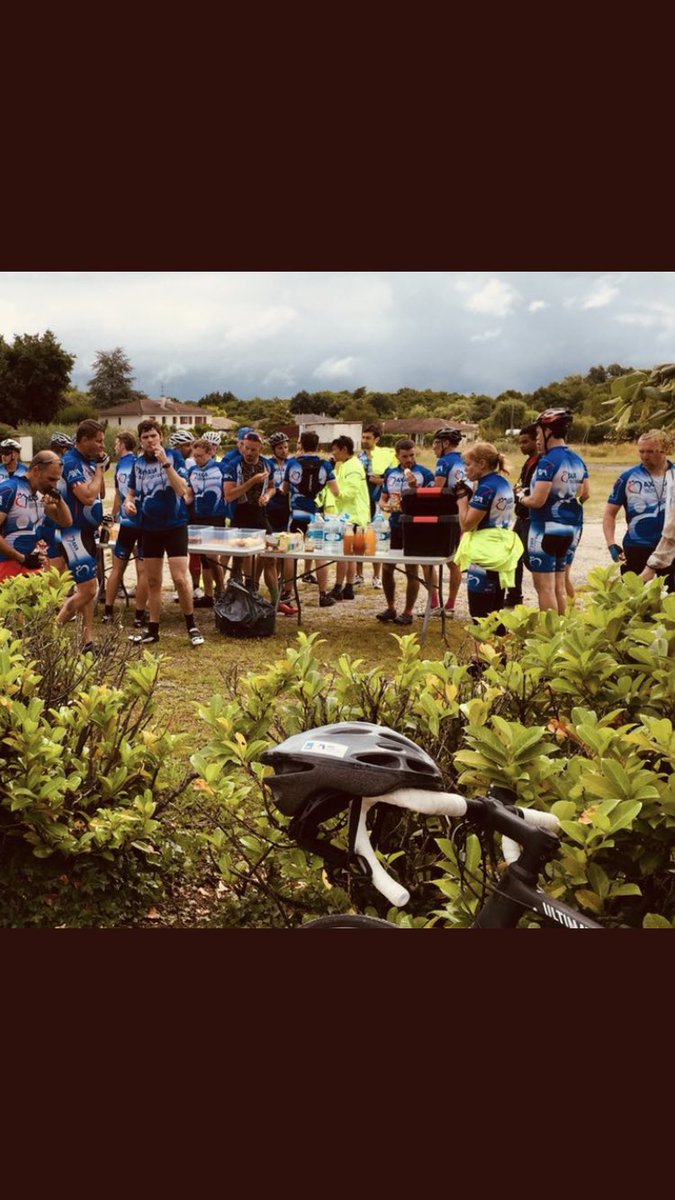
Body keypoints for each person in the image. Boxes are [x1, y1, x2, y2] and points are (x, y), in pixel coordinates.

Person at [123, 419, 204, 647]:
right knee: (153, 580)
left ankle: (192, 625)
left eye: (153, 436)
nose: (150, 441)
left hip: (175, 525)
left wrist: (165, 463)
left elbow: (183, 491)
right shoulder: (137, 464)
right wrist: (129, 504)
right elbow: (130, 494)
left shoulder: (174, 456)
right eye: (145, 437)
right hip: (149, 528)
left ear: (160, 436)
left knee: (180, 578)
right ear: (140, 441)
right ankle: (153, 629)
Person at [518, 408, 589, 614]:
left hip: (545, 528)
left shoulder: (547, 461)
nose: (538, 438)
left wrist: (521, 497)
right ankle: (563, 633)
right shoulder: (577, 459)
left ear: (548, 431)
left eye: (539, 433)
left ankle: (549, 638)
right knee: (559, 585)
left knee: (545, 588)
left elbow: (537, 500)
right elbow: (585, 494)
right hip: (572, 528)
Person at [55, 420, 109, 652]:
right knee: (88, 589)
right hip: (72, 533)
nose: (101, 445)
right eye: (98, 441)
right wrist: (98, 468)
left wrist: (98, 467)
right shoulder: (70, 462)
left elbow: (101, 492)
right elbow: (87, 496)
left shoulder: (87, 462)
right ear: (84, 440)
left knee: (87, 589)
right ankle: (53, 627)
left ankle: (87, 641)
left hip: (87, 532)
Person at [453, 442, 521, 625]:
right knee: (495, 612)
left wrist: (461, 500)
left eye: (468, 464)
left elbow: (467, 524)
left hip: (484, 552)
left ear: (482, 464)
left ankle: (484, 653)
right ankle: (499, 653)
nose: (465, 469)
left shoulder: (486, 488)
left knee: (480, 616)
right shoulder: (502, 482)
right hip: (501, 549)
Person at [603, 429, 674, 590]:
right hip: (637, 545)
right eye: (641, 451)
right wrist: (611, 543)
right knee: (631, 599)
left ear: (665, 450)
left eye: (650, 451)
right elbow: (609, 513)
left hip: (670, 548)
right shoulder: (628, 477)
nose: (645, 456)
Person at [376, 438, 435, 626]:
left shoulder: (425, 473)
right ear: (397, 456)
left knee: (411, 570)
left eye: (412, 455)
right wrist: (384, 506)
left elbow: (430, 502)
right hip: (394, 525)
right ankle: (390, 607)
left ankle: (408, 611)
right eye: (405, 456)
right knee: (387, 568)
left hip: (415, 526)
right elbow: (383, 499)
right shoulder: (391, 473)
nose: (409, 459)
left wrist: (415, 488)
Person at [282, 431, 340, 608]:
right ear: (318, 445)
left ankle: (287, 593)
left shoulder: (292, 463)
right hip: (316, 515)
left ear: (300, 444)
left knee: (291, 554)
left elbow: (285, 489)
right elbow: (336, 491)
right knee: (319, 553)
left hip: (297, 513)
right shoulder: (325, 465)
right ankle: (323, 595)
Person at [222, 431, 278, 601]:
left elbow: (272, 486)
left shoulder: (268, 465)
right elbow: (229, 495)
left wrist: (267, 496)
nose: (248, 453)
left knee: (270, 556)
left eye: (253, 450)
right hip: (240, 513)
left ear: (260, 449)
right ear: (241, 446)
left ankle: (274, 599)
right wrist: (252, 481)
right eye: (246, 448)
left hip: (260, 513)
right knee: (238, 558)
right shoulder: (233, 465)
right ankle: (229, 595)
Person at [0, 451, 72, 582]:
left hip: (31, 565)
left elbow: (66, 522)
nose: (54, 485)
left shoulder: (40, 495)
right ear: (36, 470)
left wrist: (59, 500)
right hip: (6, 566)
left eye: (57, 480)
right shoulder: (9, 490)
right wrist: (21, 558)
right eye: (51, 479)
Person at [101, 432, 149, 628]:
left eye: (116, 443)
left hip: (126, 522)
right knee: (142, 569)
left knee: (117, 568)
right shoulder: (136, 463)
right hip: (140, 522)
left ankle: (108, 613)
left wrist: (114, 518)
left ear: (123, 445)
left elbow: (120, 497)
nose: (114, 446)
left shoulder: (123, 464)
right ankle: (139, 615)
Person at [185, 437, 227, 607]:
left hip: (216, 517)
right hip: (197, 517)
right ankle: (208, 595)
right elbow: (189, 495)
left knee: (212, 557)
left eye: (200, 456)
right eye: (195, 456)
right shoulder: (192, 471)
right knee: (203, 558)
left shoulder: (221, 468)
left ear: (210, 453)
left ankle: (222, 591)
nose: (197, 459)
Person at [328, 436, 371, 601]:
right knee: (350, 553)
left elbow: (350, 491)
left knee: (344, 554)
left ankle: (339, 587)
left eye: (335, 449)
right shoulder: (347, 464)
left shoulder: (353, 466)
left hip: (352, 516)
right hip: (355, 515)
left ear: (344, 449)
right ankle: (348, 587)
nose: (333, 453)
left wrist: (336, 492)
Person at [503, 423, 540, 607]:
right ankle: (514, 595)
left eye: (526, 442)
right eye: (520, 442)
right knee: (513, 555)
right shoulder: (529, 461)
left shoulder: (541, 462)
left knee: (530, 559)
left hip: (531, 518)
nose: (522, 446)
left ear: (536, 440)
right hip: (521, 516)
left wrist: (521, 494)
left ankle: (544, 592)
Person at [432, 426, 467, 615]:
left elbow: (436, 490)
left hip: (443, 516)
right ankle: (451, 604)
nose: (433, 447)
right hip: (461, 514)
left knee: (429, 558)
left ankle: (435, 603)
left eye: (436, 443)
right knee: (454, 561)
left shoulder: (444, 461)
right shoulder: (465, 460)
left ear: (445, 444)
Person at [357, 424, 396, 589]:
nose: (364, 440)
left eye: (368, 438)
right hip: (361, 502)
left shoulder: (385, 456)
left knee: (376, 539)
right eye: (363, 437)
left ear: (377, 439)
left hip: (377, 501)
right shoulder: (358, 458)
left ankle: (376, 576)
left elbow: (393, 479)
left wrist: (377, 480)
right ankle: (358, 575)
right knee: (358, 537)